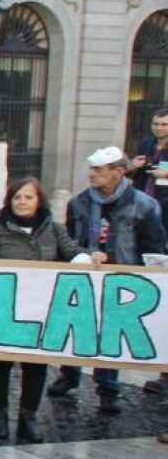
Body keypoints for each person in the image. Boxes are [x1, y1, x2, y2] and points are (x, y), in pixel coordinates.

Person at [0, 177, 92, 443]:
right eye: (17, 197)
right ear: (9, 201)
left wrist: (88, 258)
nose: (22, 202)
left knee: (36, 365)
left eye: (28, 197)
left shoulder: (54, 230)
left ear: (38, 201)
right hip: (3, 311)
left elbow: (72, 252)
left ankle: (27, 417)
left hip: (40, 310)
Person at [48, 146, 167, 414]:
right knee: (77, 327)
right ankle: (70, 374)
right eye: (91, 169)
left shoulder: (145, 205)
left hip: (124, 278)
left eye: (98, 170)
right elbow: (69, 241)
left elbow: (153, 248)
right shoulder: (78, 202)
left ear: (119, 172)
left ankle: (108, 388)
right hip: (86, 275)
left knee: (110, 335)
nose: (92, 174)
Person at [128, 108, 168, 398]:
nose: (158, 127)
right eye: (155, 122)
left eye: (164, 123)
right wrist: (134, 165)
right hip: (146, 217)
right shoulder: (145, 145)